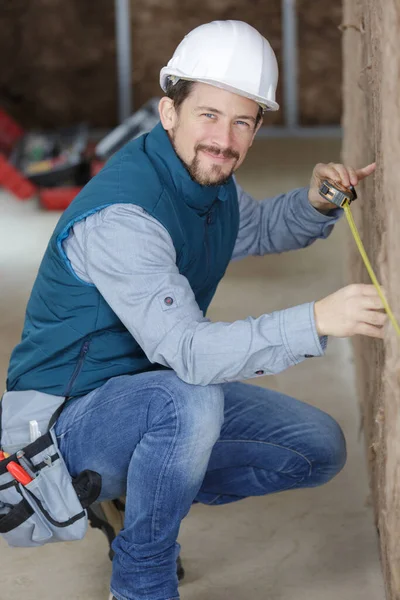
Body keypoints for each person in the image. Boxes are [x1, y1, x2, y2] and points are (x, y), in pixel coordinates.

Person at [5, 20, 385, 600]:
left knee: (314, 447)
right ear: (168, 112)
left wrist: (315, 204)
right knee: (192, 395)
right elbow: (188, 352)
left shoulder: (206, 181)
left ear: (256, 130)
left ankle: (134, 488)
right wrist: (314, 320)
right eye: (209, 114)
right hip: (57, 427)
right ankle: (140, 583)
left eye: (241, 121)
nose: (224, 138)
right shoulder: (125, 216)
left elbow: (251, 228)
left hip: (141, 392)